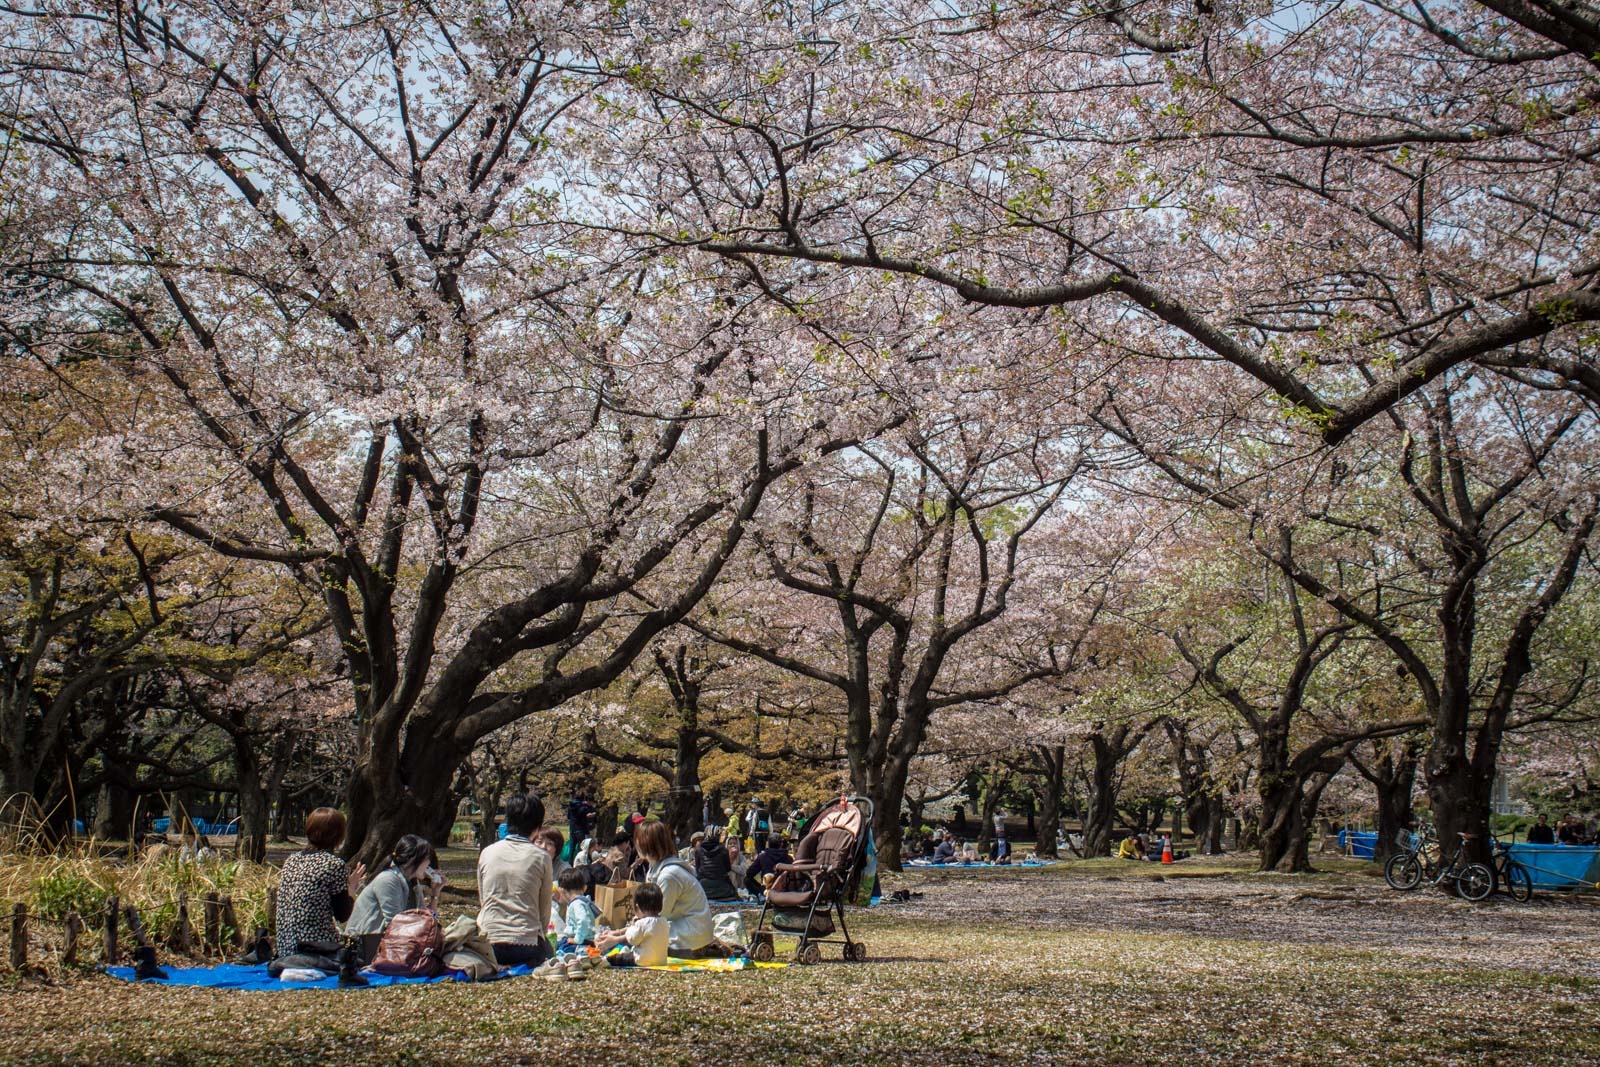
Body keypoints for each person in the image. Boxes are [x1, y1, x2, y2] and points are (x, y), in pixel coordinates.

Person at [275, 807, 366, 959]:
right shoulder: (334, 864)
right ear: (339, 835)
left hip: (286, 948)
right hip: (315, 949)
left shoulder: (292, 860)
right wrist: (351, 888)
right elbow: (342, 915)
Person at [477, 792, 554, 967]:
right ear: (538, 826)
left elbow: (484, 899)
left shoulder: (487, 852)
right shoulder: (541, 857)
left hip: (488, 943)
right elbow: (544, 909)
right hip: (526, 945)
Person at [347, 834, 440, 960]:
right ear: (413, 860)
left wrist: (435, 894)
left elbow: (426, 919)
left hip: (390, 942)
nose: (429, 864)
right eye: (427, 859)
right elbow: (395, 923)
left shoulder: (413, 883)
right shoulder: (388, 880)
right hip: (365, 945)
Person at [634, 818, 718, 957]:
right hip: (681, 929)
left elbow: (656, 917)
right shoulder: (654, 869)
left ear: (645, 843)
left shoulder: (669, 875)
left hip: (691, 938)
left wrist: (620, 936)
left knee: (639, 944)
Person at [597, 881, 669, 968]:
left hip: (643, 960)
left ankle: (606, 960)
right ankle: (625, 952)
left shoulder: (642, 923)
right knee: (628, 953)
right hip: (661, 960)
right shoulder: (664, 921)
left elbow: (632, 939)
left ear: (637, 907)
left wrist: (633, 926)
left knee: (618, 958)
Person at [554, 868, 600, 955]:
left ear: (562, 890)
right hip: (586, 939)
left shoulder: (576, 904)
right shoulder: (585, 901)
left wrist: (577, 939)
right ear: (584, 888)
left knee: (560, 946)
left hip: (581, 941)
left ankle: (584, 952)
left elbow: (583, 920)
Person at [692, 826, 740, 902]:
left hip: (703, 888)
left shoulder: (698, 850)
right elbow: (728, 869)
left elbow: (698, 870)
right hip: (722, 888)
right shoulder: (723, 850)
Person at [564, 791, 595, 863]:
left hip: (572, 828)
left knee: (572, 847)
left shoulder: (570, 806)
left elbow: (568, 817)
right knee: (582, 847)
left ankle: (570, 863)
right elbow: (586, 816)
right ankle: (580, 862)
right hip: (580, 829)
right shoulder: (582, 807)